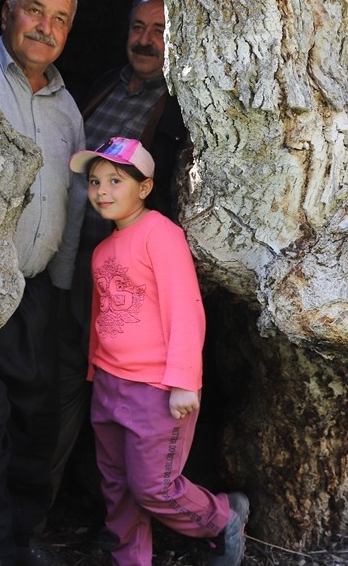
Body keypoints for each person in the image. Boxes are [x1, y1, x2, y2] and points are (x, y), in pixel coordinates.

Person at [67, 137, 248, 566]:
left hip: (156, 387)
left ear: (145, 187)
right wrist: (95, 371)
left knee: (154, 486)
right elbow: (103, 315)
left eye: (115, 180)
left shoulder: (161, 235)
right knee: (116, 484)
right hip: (109, 382)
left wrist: (184, 380)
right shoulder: (103, 250)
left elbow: (185, 308)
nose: (102, 191)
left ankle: (222, 517)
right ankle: (131, 560)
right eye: (95, 182)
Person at [49, 0, 191, 506]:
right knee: (66, 379)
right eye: (138, 27)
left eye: (160, 31)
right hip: (69, 258)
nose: (146, 40)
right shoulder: (105, 84)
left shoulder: (181, 105)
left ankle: (130, 501)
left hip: (130, 276)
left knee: (123, 396)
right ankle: (60, 498)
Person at [0, 0, 86, 566]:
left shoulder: (67, 109)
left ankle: (20, 542)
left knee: (34, 428)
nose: (45, 27)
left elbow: (74, 203)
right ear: (7, 13)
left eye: (60, 19)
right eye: (35, 10)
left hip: (40, 294)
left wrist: (62, 292)